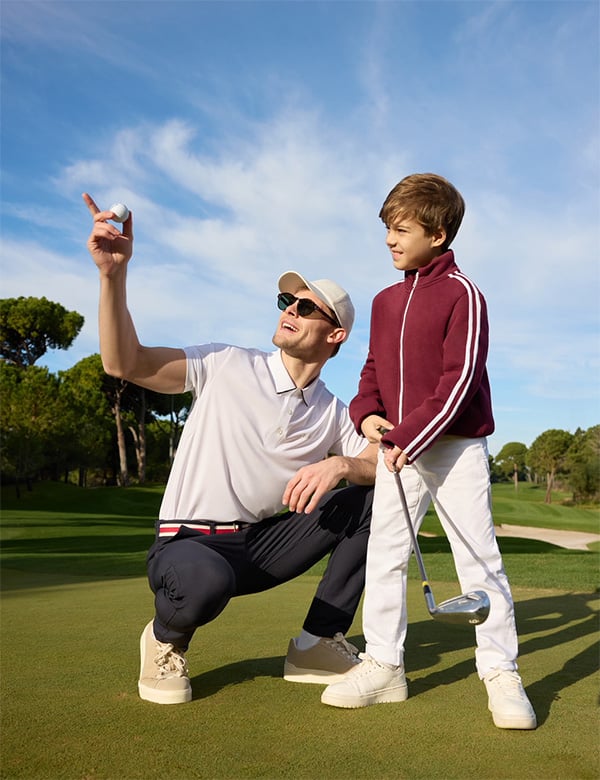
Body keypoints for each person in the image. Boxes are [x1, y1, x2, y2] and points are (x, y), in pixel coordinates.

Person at [83, 193, 378, 705]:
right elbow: (124, 362)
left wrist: (343, 463)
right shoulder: (227, 363)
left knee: (376, 498)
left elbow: (375, 464)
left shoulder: (333, 410)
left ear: (336, 334)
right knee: (205, 580)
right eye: (287, 301)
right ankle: (163, 640)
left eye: (306, 306)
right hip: (188, 547)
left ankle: (316, 642)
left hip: (261, 548)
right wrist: (113, 276)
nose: (291, 309)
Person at [320, 173, 537, 730]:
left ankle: (499, 670)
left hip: (454, 448)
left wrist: (404, 438)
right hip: (396, 447)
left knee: (477, 558)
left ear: (438, 234)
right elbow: (372, 369)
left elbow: (459, 380)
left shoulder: (463, 293)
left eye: (401, 230)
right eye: (387, 230)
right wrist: (366, 414)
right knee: (384, 553)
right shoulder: (385, 299)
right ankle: (385, 665)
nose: (390, 240)